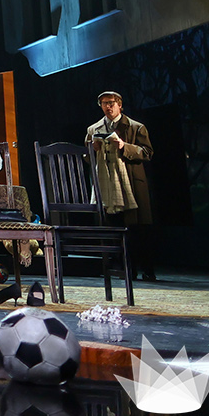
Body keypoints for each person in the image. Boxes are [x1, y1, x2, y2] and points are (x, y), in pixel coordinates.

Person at [86, 91, 157, 281]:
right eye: (103, 103)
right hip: (107, 184)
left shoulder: (135, 127)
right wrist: (92, 150)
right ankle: (124, 269)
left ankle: (147, 269)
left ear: (119, 104)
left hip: (131, 183)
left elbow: (147, 152)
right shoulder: (93, 129)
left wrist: (124, 146)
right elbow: (87, 157)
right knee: (113, 226)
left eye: (111, 103)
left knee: (138, 228)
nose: (107, 107)